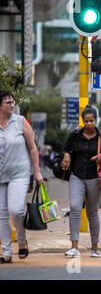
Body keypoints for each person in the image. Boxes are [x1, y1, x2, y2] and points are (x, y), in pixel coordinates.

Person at [61, 105, 101, 258]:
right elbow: (64, 149)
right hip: (76, 176)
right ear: (82, 121)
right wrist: (66, 154)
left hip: (94, 178)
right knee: (74, 208)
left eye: (92, 121)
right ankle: (74, 246)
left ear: (96, 120)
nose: (89, 124)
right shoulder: (75, 135)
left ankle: (95, 248)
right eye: (86, 121)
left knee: (92, 213)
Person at [0, 90, 43, 264]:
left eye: (12, 102)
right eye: (8, 102)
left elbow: (32, 148)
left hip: (20, 173)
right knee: (2, 214)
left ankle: (22, 239)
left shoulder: (20, 122)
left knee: (16, 210)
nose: (12, 105)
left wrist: (37, 171)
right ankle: (6, 252)